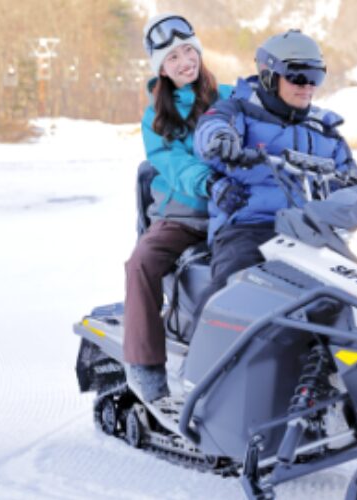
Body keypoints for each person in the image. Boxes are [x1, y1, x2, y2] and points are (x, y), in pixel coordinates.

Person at [194, 29, 357, 290]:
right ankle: (213, 317)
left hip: (316, 231)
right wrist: (221, 139)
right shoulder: (239, 110)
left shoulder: (323, 129)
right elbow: (211, 126)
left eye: (316, 77)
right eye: (299, 77)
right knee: (235, 287)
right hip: (252, 227)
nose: (308, 87)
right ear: (269, 76)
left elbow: (346, 175)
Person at [124, 13, 230, 404]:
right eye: (172, 58)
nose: (185, 62)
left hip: (233, 212)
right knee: (141, 263)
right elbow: (174, 164)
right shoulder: (155, 118)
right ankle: (146, 365)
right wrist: (209, 182)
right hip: (183, 216)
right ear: (161, 69)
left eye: (188, 51)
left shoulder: (229, 97)